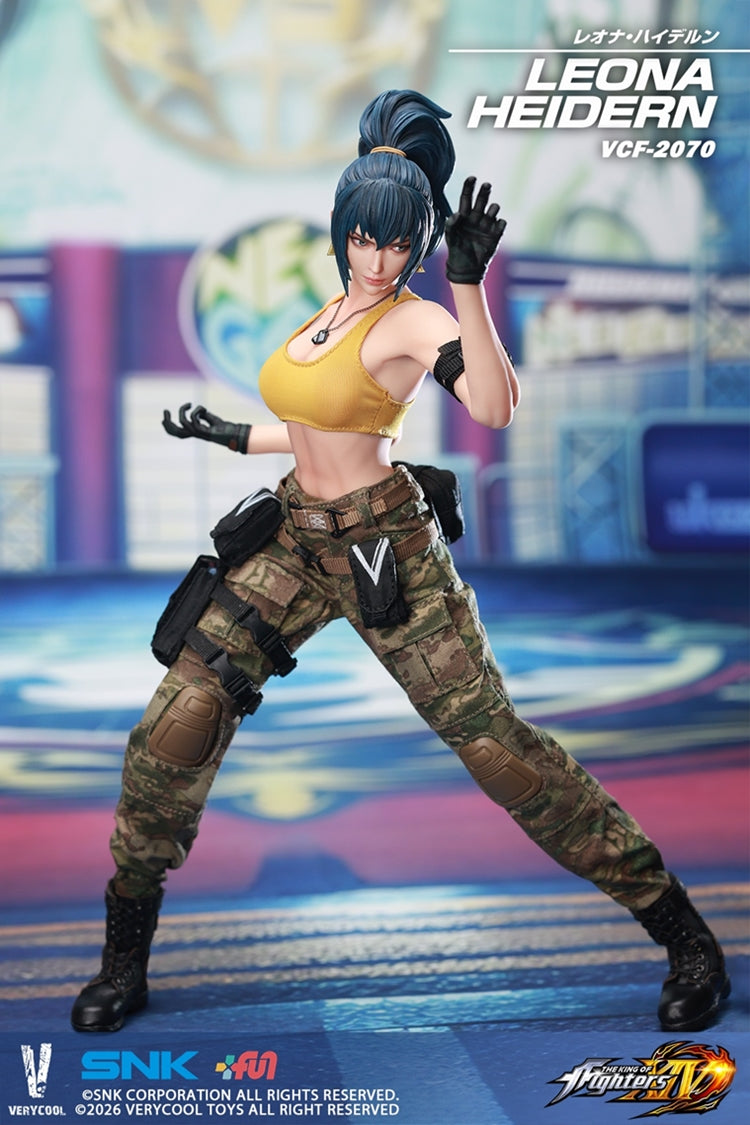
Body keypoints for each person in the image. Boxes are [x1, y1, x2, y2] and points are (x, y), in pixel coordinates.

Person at [71, 90, 729, 1035]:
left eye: (394, 244)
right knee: (178, 721)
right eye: (361, 238)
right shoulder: (333, 309)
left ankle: (683, 934)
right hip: (292, 536)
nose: (375, 259)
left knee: (497, 749)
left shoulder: (416, 319)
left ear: (417, 244)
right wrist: (231, 433)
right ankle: (123, 957)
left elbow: (495, 406)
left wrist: (468, 283)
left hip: (385, 548)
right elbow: (321, 424)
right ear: (341, 231)